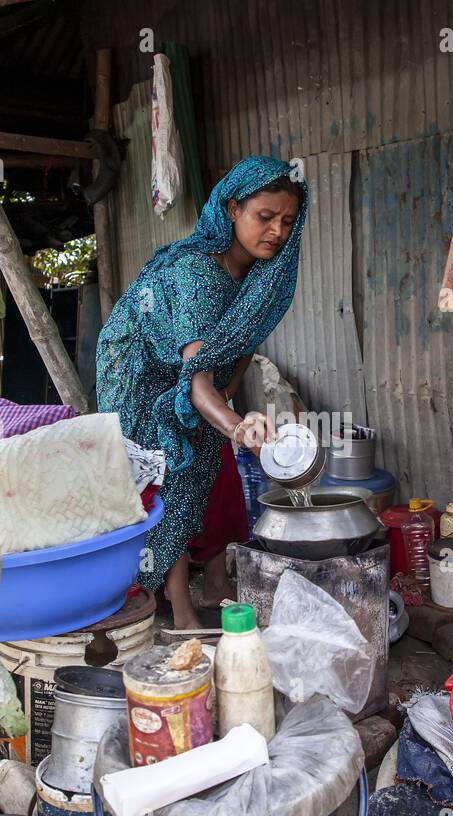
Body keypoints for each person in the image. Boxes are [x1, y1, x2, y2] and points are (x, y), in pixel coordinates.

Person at [97, 155, 307, 629]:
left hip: (193, 377)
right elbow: (196, 382)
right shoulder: (194, 276)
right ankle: (179, 613)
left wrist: (227, 415)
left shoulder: (255, 277)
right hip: (138, 376)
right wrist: (236, 425)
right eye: (265, 217)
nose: (276, 230)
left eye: (287, 221)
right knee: (169, 478)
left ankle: (201, 591)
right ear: (232, 209)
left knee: (202, 462)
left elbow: (238, 351)